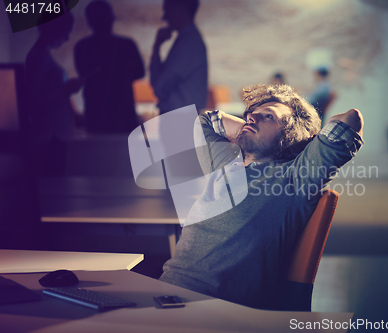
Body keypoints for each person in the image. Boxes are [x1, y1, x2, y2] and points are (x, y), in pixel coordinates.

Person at [160, 84, 364, 310]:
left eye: (268, 116)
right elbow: (205, 121)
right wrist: (254, 127)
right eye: (250, 114)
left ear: (293, 133)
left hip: (216, 311)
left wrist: (295, 141)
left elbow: (350, 120)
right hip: (166, 295)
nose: (251, 118)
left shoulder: (297, 176)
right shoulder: (226, 162)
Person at [74, 0, 145, 134]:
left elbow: (139, 72)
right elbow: (139, 72)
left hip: (108, 114)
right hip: (113, 114)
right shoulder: (126, 45)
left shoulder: (82, 47)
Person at [25, 12, 82, 176]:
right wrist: (66, 89)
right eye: (66, 30)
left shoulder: (42, 56)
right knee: (52, 185)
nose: (67, 37)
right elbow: (33, 102)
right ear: (54, 28)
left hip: (53, 134)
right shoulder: (37, 58)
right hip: (49, 136)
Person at [150, 0, 208, 114]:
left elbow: (159, 87)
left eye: (167, 10)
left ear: (180, 9)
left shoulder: (188, 43)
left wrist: (156, 46)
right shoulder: (189, 41)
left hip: (179, 118)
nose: (164, 17)